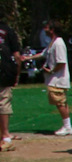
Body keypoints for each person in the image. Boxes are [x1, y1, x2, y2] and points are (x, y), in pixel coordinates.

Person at [22, 20, 72, 135]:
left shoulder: (58, 43)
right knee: (61, 102)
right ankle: (67, 125)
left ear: (52, 29)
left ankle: (67, 127)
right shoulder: (52, 43)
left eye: (47, 27)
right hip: (54, 78)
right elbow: (42, 54)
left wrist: (51, 71)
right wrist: (26, 58)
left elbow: (61, 62)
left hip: (58, 78)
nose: (44, 29)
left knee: (60, 102)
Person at [0, 12, 22, 151]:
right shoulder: (8, 30)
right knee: (3, 101)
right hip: (5, 70)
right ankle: (6, 136)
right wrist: (17, 74)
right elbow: (17, 56)